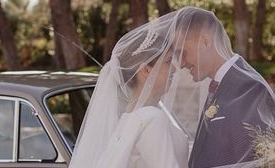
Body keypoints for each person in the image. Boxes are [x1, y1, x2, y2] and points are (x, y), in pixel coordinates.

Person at [171, 7, 275, 168]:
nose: (182, 63)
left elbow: (256, 159)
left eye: (183, 53)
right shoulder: (221, 84)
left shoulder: (249, 88)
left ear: (205, 41)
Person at [69, 18, 189, 168]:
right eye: (168, 61)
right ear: (146, 70)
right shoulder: (152, 119)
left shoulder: (126, 119)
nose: (175, 69)